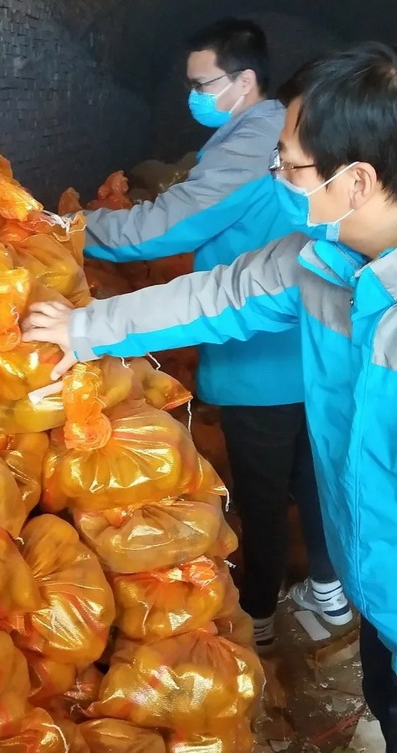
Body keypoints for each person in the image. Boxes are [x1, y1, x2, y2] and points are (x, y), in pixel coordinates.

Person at [24, 41, 397, 748]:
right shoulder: (322, 260)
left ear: (356, 181)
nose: (277, 177)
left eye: (290, 165)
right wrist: (83, 329)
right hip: (377, 588)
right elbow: (219, 294)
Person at [83, 17, 352, 649]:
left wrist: (72, 230)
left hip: (260, 361)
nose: (193, 96)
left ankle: (256, 617)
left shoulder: (254, 141)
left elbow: (173, 230)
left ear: (245, 80)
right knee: (314, 478)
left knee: (261, 495)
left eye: (202, 84)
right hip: (305, 355)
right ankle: (329, 596)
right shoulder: (290, 159)